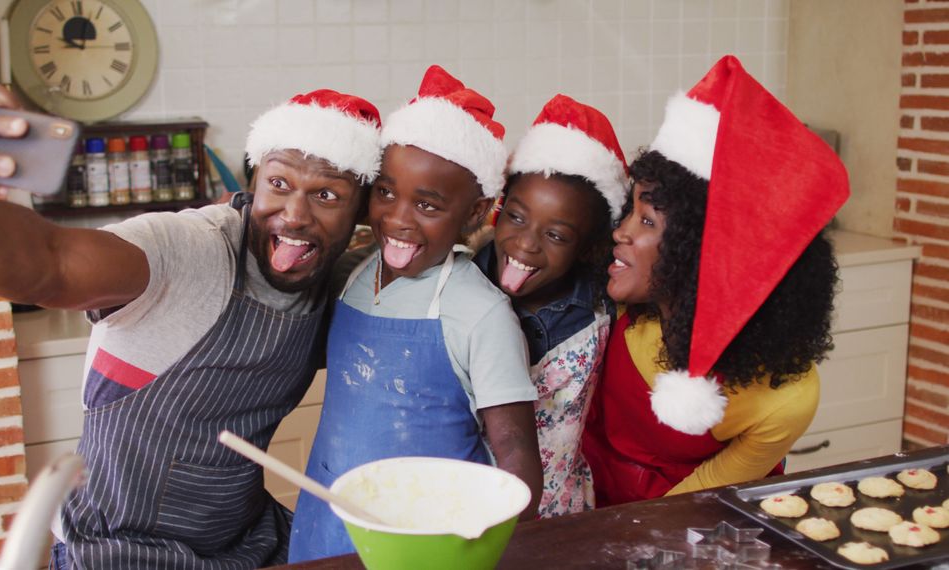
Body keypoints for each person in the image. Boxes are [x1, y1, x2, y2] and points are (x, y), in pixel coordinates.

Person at [0, 80, 383, 568]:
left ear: (361, 214)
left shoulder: (337, 283)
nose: (295, 215)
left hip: (245, 543)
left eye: (326, 195)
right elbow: (48, 265)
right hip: (116, 549)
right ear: (256, 178)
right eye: (278, 184)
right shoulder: (189, 249)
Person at [288, 65, 542, 562]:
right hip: (328, 514)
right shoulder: (354, 276)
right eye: (385, 192)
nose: (398, 218)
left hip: (429, 540)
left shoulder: (481, 313)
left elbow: (516, 458)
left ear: (474, 213)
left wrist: (476, 545)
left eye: (427, 205)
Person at [581, 55, 849, 507]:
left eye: (646, 221)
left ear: (704, 250)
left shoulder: (786, 397)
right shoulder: (618, 306)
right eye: (630, 211)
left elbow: (693, 507)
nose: (621, 232)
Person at [473, 94, 627, 517]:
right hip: (468, 510)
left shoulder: (604, 302)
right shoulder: (459, 285)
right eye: (517, 217)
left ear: (588, 246)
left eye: (556, 235)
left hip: (564, 512)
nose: (526, 244)